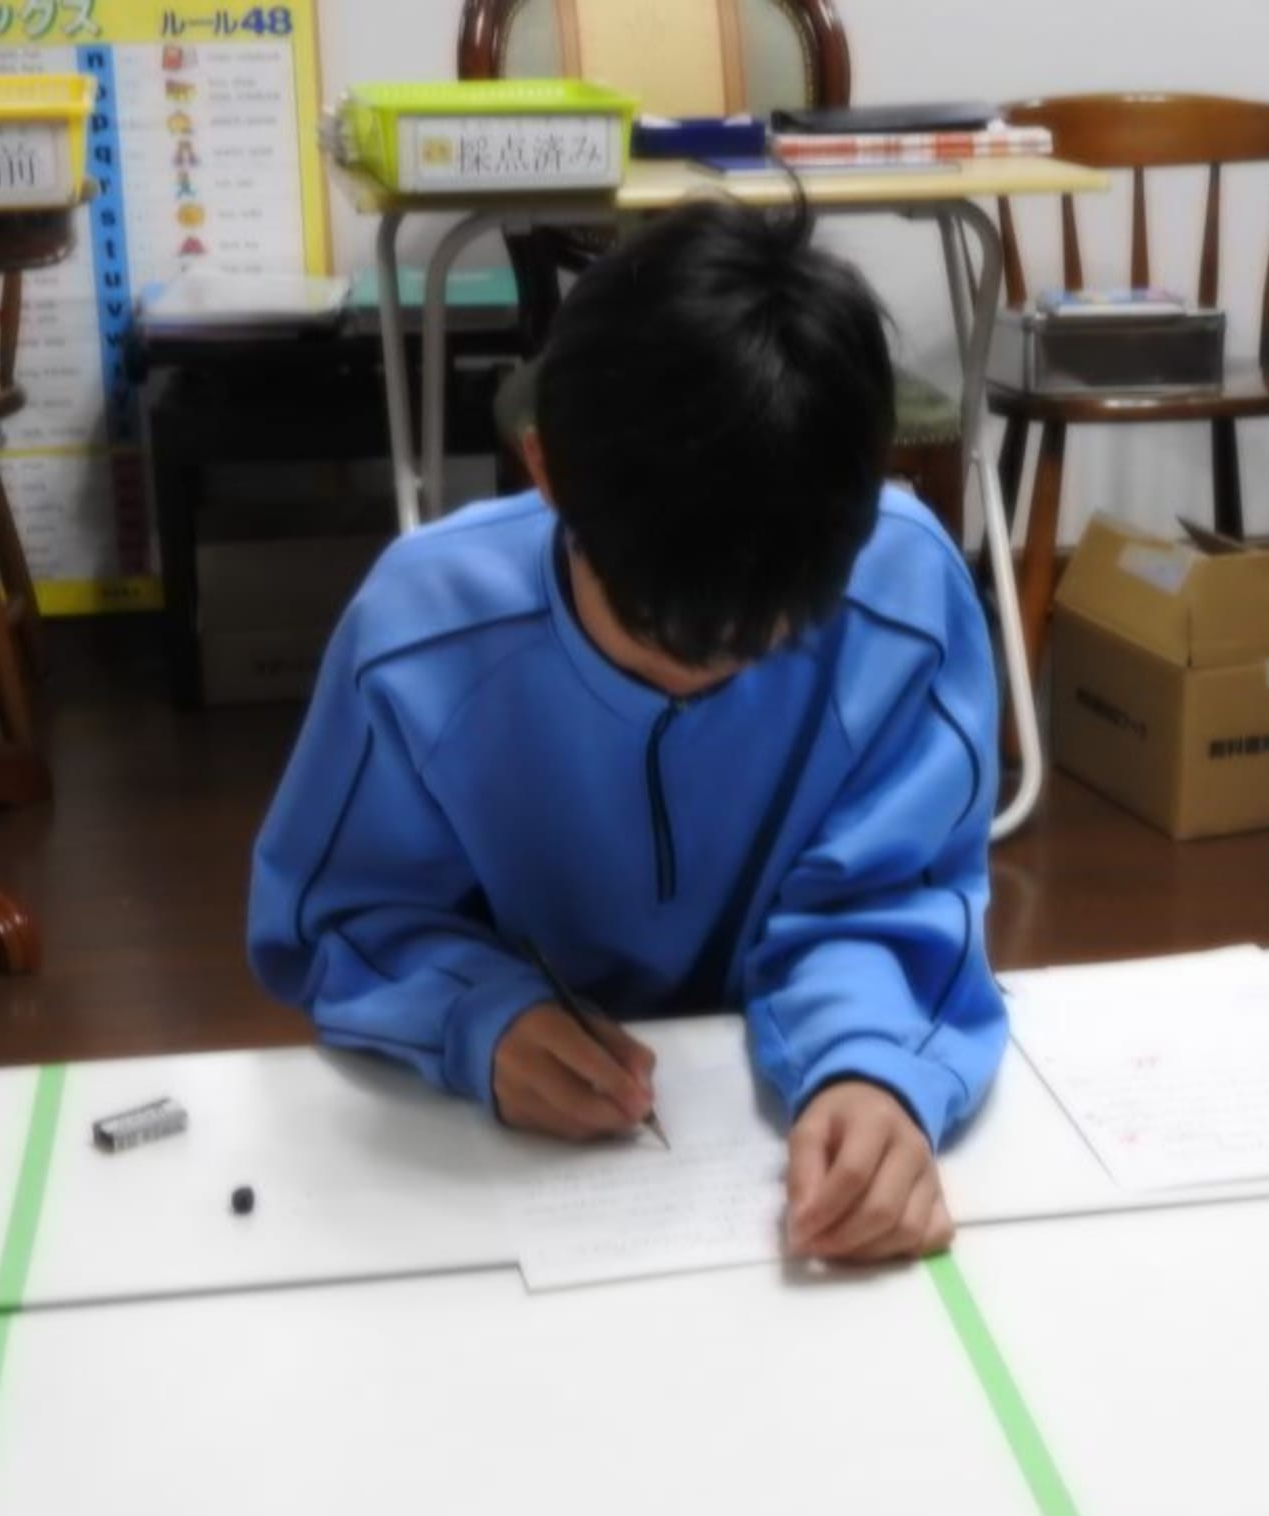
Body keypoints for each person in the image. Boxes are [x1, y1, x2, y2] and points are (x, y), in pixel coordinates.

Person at [249, 200, 1004, 1263]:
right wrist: (478, 1017)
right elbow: (343, 916)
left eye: (768, 640)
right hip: (495, 1171)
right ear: (546, 469)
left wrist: (871, 1066)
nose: (702, 674)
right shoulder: (417, 636)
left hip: (756, 1137)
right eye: (652, 631)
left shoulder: (906, 597)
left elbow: (892, 894)